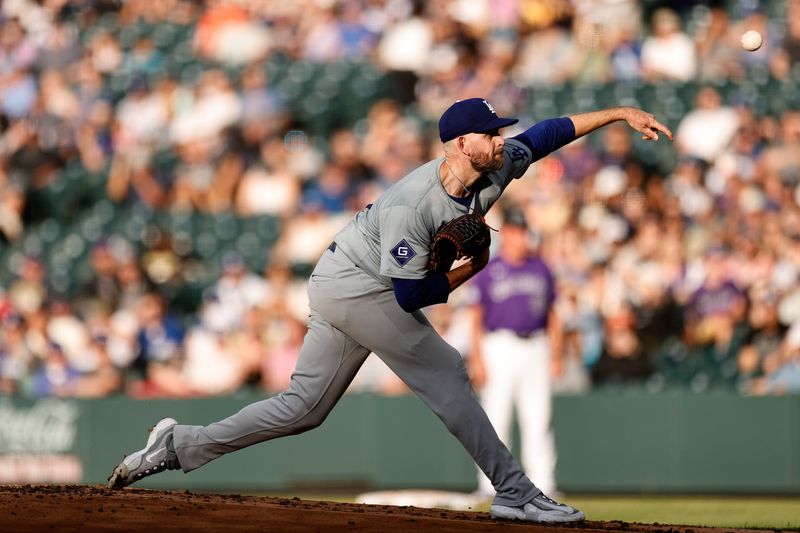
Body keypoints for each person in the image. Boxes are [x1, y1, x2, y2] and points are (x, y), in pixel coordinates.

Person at [108, 97, 671, 524]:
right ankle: (516, 494)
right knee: (446, 370)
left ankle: (177, 445)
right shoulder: (413, 205)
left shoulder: (498, 162)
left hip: (346, 279)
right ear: (455, 143)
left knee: (303, 408)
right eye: (489, 132)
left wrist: (620, 113)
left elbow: (549, 133)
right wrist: (470, 270)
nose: (501, 138)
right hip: (358, 284)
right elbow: (408, 298)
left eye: (500, 130)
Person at [468, 209, 562, 498]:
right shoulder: (489, 270)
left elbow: (554, 314)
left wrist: (557, 354)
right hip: (499, 345)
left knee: (538, 417)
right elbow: (475, 317)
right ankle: (491, 486)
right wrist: (477, 358)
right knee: (496, 417)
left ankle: (544, 484)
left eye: (523, 232)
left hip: (536, 344)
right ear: (505, 234)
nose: (520, 237)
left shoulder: (540, 268)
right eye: (515, 231)